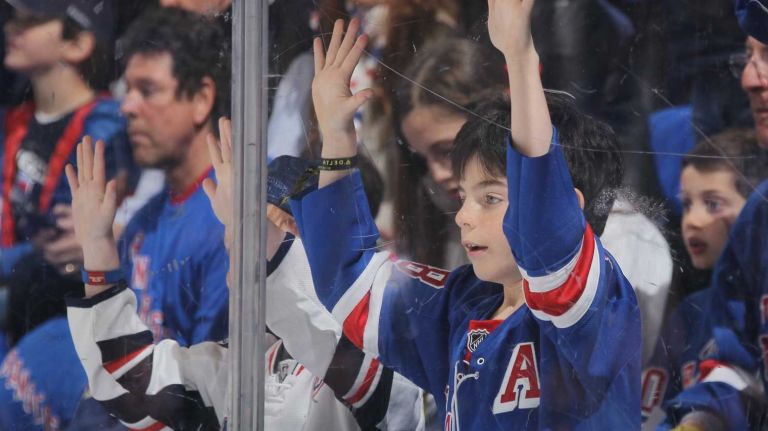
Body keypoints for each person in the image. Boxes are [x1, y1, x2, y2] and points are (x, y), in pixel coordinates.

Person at [291, 6, 640, 429]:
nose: (463, 217)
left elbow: (546, 230)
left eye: (490, 198)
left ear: (566, 204)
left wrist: (519, 57)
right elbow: (350, 286)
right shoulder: (459, 304)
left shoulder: (593, 313)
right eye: (466, 196)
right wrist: (337, 138)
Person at [62, 128, 427, 430]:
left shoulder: (386, 349)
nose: (238, 257)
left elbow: (324, 339)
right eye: (234, 239)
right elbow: (129, 385)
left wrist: (253, 234)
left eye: (263, 236)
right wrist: (97, 251)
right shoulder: (242, 362)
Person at [0, 0, 133, 342]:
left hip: (60, 320)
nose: (13, 27)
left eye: (32, 20)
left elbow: (55, 241)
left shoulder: (105, 127)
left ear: (77, 44)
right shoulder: (16, 119)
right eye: (15, 17)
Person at [114, 7, 231, 346]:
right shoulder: (142, 223)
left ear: (200, 99)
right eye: (128, 90)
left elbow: (207, 390)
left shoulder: (244, 213)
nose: (128, 107)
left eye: (147, 90)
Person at [640, 128, 767, 427]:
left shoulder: (745, 306)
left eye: (712, 204)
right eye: (686, 204)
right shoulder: (688, 313)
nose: (693, 221)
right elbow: (648, 413)